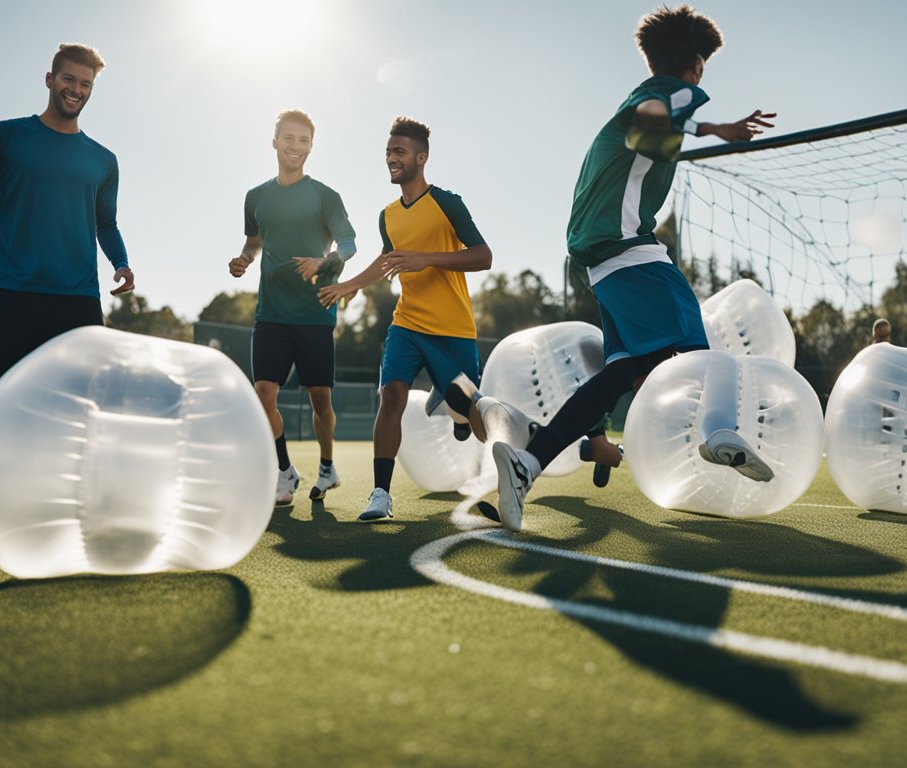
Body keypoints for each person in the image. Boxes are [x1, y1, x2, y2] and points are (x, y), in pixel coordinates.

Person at [454, 5, 777, 532]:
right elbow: (658, 112)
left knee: (621, 375)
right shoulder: (670, 92)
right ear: (695, 64)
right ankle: (718, 432)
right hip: (629, 249)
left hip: (600, 264)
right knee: (705, 353)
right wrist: (718, 128)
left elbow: (646, 139)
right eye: (703, 68)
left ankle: (526, 465)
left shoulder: (627, 119)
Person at [0, 44, 134, 532]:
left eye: (86, 84)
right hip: (8, 288)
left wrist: (122, 263)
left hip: (77, 295)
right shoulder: (5, 138)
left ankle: (76, 496)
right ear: (50, 79)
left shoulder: (103, 160)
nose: (76, 90)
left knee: (86, 399)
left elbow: (105, 223)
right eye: (69, 80)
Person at [317, 117, 492, 521]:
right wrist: (351, 285)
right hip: (408, 324)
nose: (391, 159)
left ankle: (471, 431)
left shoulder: (447, 202)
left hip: (452, 328)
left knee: (469, 410)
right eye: (388, 153)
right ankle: (381, 495)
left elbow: (483, 256)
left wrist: (426, 258)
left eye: (399, 152)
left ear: (421, 157)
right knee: (391, 396)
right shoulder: (388, 215)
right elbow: (387, 261)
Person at [229, 109, 357, 507]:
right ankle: (285, 470)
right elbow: (255, 241)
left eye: (303, 140)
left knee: (321, 400)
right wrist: (245, 258)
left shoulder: (325, 196)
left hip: (315, 312)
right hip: (270, 313)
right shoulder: (256, 197)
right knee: (263, 392)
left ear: (311, 147)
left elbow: (349, 244)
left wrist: (325, 263)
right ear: (274, 142)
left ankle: (327, 466)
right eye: (288, 138)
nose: (295, 146)